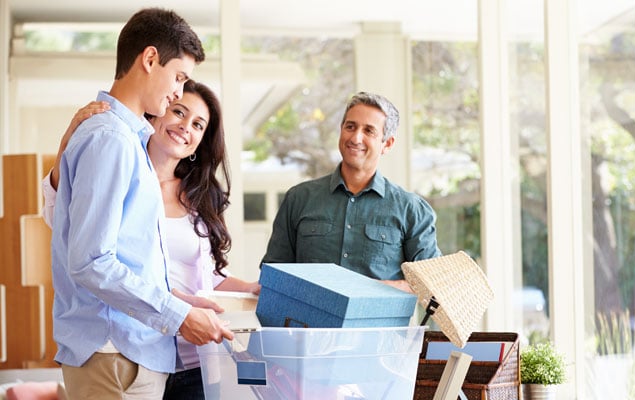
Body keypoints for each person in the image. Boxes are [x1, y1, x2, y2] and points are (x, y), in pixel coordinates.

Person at [49, 8, 233, 399]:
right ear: (150, 59)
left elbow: (123, 256)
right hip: (114, 351)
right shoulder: (110, 139)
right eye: (179, 77)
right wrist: (178, 315)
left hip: (130, 352)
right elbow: (91, 260)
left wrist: (176, 298)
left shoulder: (129, 140)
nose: (178, 93)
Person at [260, 91, 442, 293]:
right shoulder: (299, 199)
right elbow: (273, 275)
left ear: (387, 144)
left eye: (369, 131)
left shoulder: (411, 209)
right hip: (310, 324)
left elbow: (431, 285)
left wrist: (371, 289)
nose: (356, 138)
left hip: (381, 325)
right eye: (350, 127)